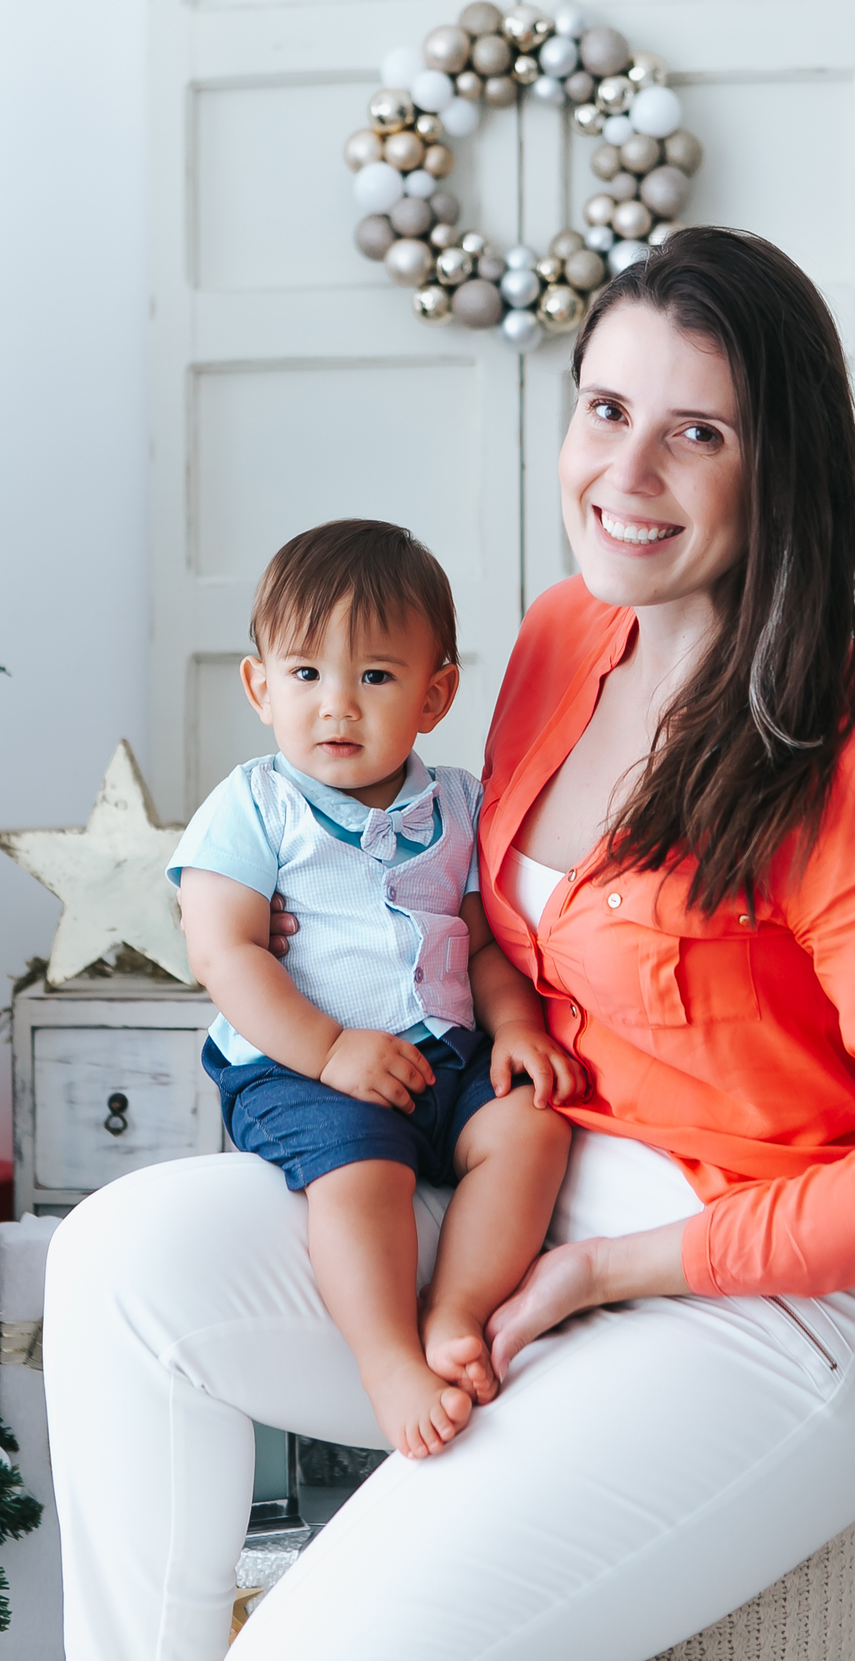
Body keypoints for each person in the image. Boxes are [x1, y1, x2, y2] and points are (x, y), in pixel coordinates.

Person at [44, 228, 855, 1661]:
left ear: (778, 466)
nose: (627, 473)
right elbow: (484, 918)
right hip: (521, 1190)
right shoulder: (564, 635)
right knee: (118, 1260)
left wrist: (612, 1270)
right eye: (606, 410)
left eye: (698, 433)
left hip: (760, 1306)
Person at [169, 520, 581, 1460]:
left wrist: (517, 1028)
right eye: (306, 673)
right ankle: (389, 1359)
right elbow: (225, 953)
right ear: (260, 686)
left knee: (533, 1127)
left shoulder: (459, 805)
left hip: (444, 1056)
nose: (338, 706)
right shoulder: (255, 805)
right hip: (299, 1069)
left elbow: (484, 945)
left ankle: (456, 1309)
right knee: (362, 1177)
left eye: (377, 677)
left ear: (435, 695)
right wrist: (329, 1051)